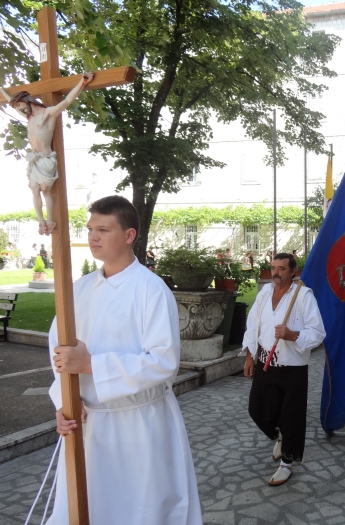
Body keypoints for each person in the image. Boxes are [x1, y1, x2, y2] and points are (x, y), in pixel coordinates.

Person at [47, 196, 202, 524]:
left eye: (103, 230)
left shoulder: (151, 289)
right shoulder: (78, 290)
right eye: (90, 229)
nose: (93, 237)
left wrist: (92, 364)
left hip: (138, 426)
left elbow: (163, 361)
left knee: (140, 511)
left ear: (129, 235)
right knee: (86, 508)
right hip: (87, 425)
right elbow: (58, 351)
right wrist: (64, 402)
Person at [243, 253, 326, 486]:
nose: (276, 272)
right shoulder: (264, 293)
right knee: (257, 409)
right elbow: (252, 325)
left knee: (292, 416)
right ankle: (279, 435)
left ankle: (287, 463)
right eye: (273, 268)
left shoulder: (304, 296)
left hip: (292, 368)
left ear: (293, 272)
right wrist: (249, 355)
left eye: (281, 268)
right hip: (265, 363)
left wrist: (292, 335)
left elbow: (318, 332)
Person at [1, 73, 94, 235]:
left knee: (45, 190)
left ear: (28, 101)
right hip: (33, 160)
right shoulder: (29, 117)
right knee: (34, 189)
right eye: (18, 108)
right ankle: (41, 221)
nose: (20, 110)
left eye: (21, 106)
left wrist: (83, 81)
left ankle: (50, 220)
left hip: (45, 159)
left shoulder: (47, 114)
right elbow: (12, 103)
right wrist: (2, 91)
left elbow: (67, 101)